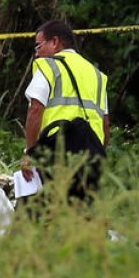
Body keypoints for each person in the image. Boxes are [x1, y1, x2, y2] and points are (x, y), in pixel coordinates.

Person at [22, 20, 109, 202]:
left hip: (58, 151)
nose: (37, 54)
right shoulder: (96, 75)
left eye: (38, 46)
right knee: (85, 215)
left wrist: (30, 153)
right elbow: (105, 123)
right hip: (92, 155)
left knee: (55, 211)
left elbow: (35, 110)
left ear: (55, 42)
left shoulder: (49, 66)